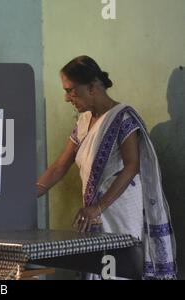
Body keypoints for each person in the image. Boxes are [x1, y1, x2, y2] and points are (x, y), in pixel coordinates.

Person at [36, 55, 177, 279]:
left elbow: (131, 167)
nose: (66, 98)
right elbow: (59, 167)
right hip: (94, 213)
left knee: (119, 270)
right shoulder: (83, 122)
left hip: (119, 211)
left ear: (92, 87)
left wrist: (98, 207)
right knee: (97, 270)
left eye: (71, 90)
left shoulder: (123, 118)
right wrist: (29, 194)